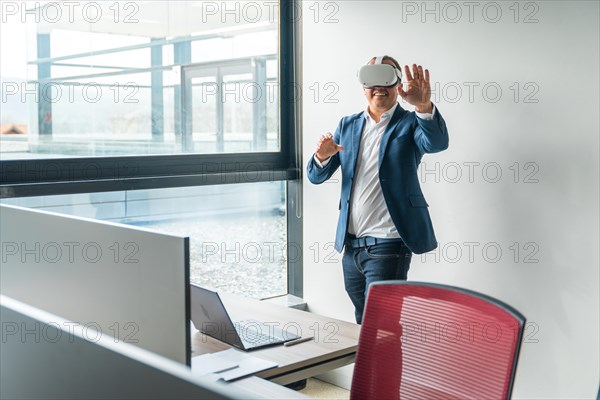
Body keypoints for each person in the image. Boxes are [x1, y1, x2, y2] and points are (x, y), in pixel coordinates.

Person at [306, 55, 449, 324]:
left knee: (381, 324)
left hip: (388, 244)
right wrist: (322, 157)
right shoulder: (347, 125)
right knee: (366, 325)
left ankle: (387, 367)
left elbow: (436, 143)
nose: (379, 87)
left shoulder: (410, 123)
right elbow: (315, 176)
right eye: (371, 81)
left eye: (386, 79)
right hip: (351, 247)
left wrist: (424, 106)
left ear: (397, 85)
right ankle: (373, 368)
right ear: (363, 88)